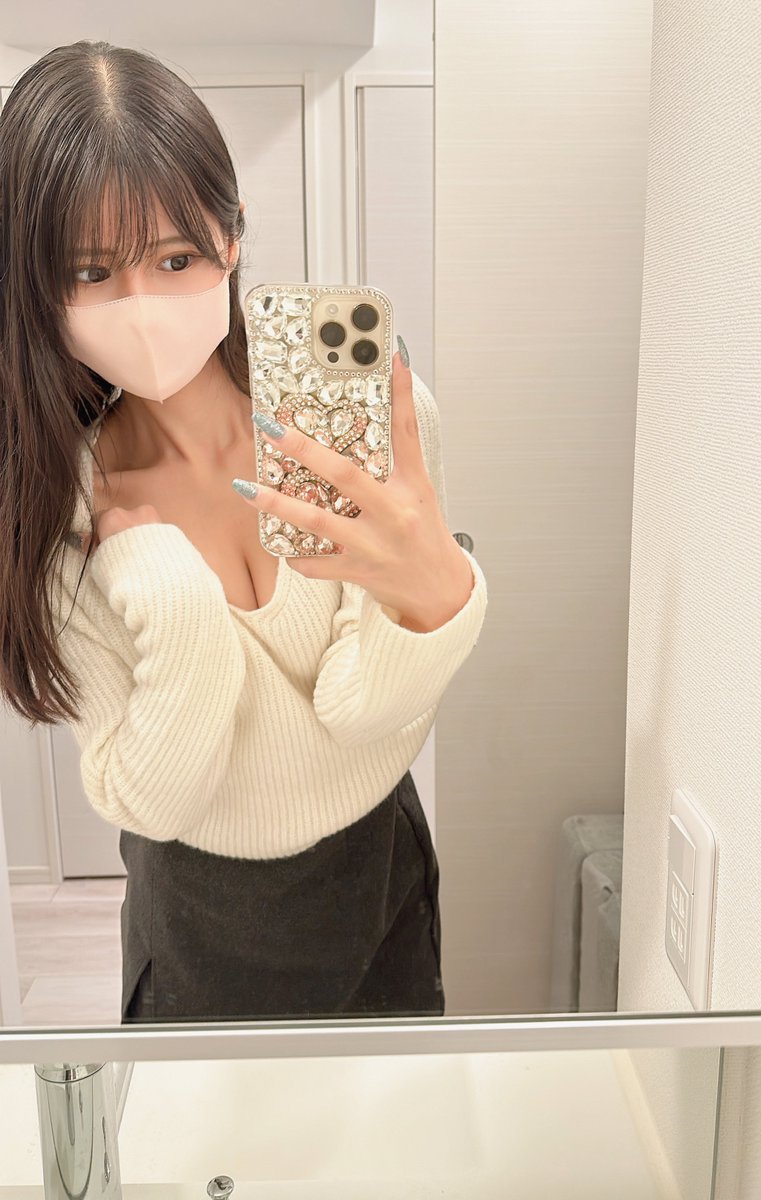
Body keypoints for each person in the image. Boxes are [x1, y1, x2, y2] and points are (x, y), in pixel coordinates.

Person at [0, 40, 488, 1023]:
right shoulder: (58, 517)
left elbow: (366, 712)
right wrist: (169, 593)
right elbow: (157, 800)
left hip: (379, 869)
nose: (142, 306)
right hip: (199, 913)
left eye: (175, 258)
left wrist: (442, 592)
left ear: (231, 237)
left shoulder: (359, 426)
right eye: (91, 271)